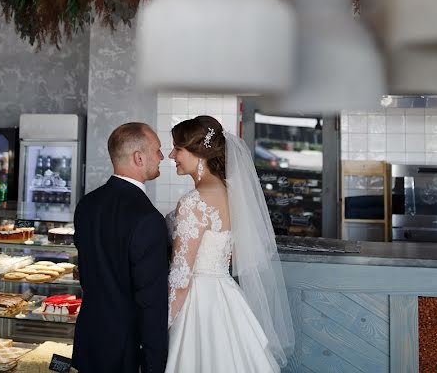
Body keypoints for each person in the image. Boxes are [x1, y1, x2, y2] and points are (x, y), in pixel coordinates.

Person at [165, 115, 294, 372]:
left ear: (198, 152)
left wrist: (158, 329)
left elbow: (181, 280)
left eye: (177, 148)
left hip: (197, 305)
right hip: (226, 296)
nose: (171, 155)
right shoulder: (234, 194)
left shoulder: (193, 202)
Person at [73, 122, 169, 373]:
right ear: (139, 157)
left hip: (89, 340)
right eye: (157, 150)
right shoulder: (148, 218)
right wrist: (153, 365)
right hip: (125, 351)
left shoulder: (87, 204)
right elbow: (151, 303)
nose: (162, 157)